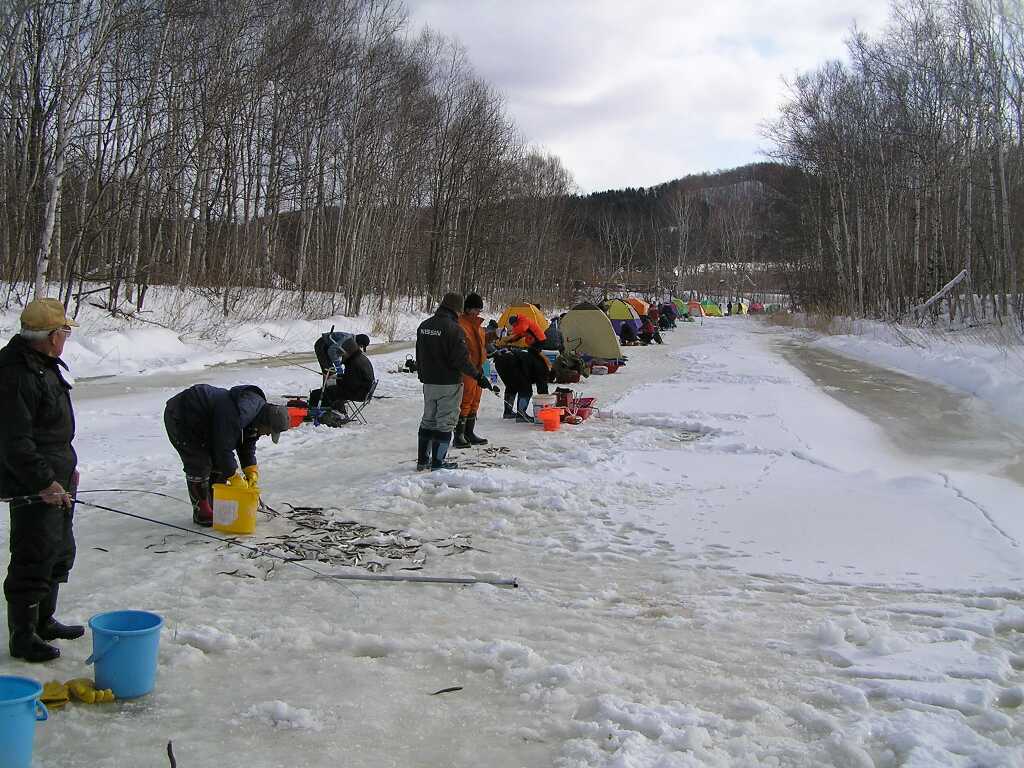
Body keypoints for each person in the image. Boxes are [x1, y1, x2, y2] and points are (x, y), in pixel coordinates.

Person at [0, 299, 82, 662]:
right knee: (33, 555)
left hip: (58, 473)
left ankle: (44, 620)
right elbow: (14, 441)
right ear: (49, 337)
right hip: (34, 482)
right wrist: (45, 481)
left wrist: (66, 470)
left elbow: (52, 429)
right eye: (63, 332)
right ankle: (23, 635)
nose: (66, 338)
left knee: (59, 550)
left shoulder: (43, 364)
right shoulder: (15, 374)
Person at [164, 385, 291, 526]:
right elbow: (223, 448)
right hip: (182, 415)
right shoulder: (239, 413)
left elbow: (247, 444)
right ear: (265, 421)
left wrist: (251, 470)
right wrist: (234, 476)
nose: (267, 434)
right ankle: (202, 512)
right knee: (199, 463)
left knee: (220, 464)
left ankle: (215, 505)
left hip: (207, 423)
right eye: (269, 430)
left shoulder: (254, 416)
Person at [415, 293, 496, 471]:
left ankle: (423, 461)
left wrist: (422, 375)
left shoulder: (424, 325)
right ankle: (438, 462)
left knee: (428, 420)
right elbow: (461, 360)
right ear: (458, 308)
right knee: (445, 422)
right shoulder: (454, 328)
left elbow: (419, 353)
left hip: (429, 382)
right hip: (448, 382)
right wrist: (478, 376)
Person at [454, 292, 490, 449]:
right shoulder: (460, 324)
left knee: (475, 400)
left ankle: (469, 432)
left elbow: (481, 343)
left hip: (478, 368)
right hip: (466, 369)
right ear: (468, 309)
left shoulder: (478, 326)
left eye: (479, 310)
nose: (478, 313)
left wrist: (495, 335)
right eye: (476, 309)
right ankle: (459, 435)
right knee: (465, 401)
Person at [310, 336, 374, 413]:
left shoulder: (353, 364)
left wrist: (337, 382)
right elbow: (352, 379)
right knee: (332, 388)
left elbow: (351, 383)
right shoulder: (361, 358)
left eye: (343, 354)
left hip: (359, 393)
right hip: (363, 391)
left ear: (347, 352)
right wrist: (338, 378)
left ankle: (322, 412)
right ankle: (333, 408)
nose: (342, 356)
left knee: (327, 391)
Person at [493, 346, 553, 422]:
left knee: (511, 386)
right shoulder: (544, 369)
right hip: (513, 363)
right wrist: (547, 402)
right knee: (526, 390)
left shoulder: (540, 361)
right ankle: (521, 415)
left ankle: (508, 412)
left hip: (500, 361)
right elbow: (542, 388)